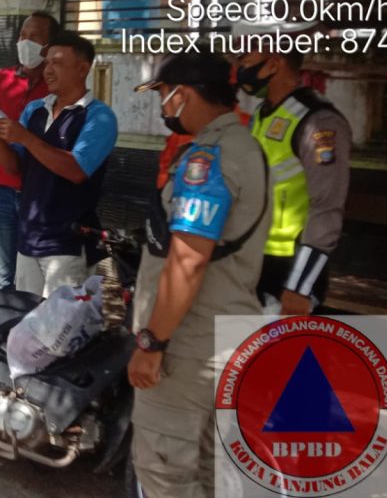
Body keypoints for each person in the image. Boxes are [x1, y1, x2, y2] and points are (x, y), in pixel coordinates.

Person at [129, 52, 271, 498]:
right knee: (209, 468)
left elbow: (188, 261)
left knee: (163, 469)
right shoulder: (245, 146)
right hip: (227, 332)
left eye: (164, 96)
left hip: (189, 344)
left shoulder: (208, 159)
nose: (163, 107)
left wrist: (152, 343)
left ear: (183, 94)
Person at [0, 31, 117, 296]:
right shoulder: (35, 110)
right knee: (29, 314)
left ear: (83, 69)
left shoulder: (99, 116)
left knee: (62, 319)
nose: (48, 70)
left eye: (58, 63)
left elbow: (76, 170)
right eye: (48, 62)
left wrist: (26, 138)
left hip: (68, 243)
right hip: (29, 237)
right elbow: (15, 167)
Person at [236, 46, 351, 315]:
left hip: (290, 267)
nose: (240, 68)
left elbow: (326, 204)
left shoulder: (318, 121)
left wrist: (300, 286)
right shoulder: (262, 115)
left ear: (274, 63)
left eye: (247, 60)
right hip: (255, 257)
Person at [0, 12, 54, 289]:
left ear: (49, 46)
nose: (25, 42)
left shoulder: (56, 87)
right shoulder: (0, 80)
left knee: (33, 281)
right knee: (1, 278)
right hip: (1, 192)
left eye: (34, 37)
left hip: (40, 196)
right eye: (23, 36)